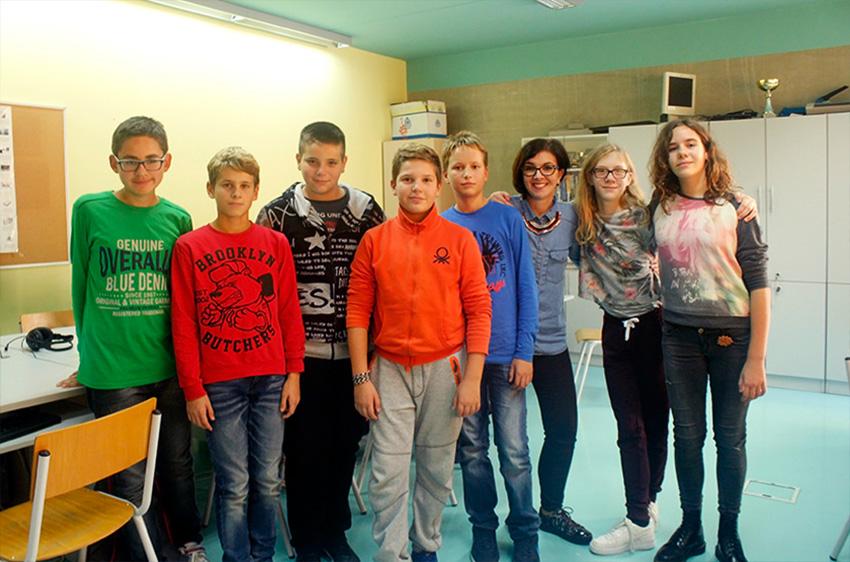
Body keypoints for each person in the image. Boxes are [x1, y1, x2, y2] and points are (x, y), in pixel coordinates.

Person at [69, 115, 206, 561]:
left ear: (167, 162)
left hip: (168, 367)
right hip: (113, 372)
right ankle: (151, 555)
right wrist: (87, 357)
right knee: (128, 477)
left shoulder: (177, 219)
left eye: (151, 160)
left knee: (177, 464)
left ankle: (189, 542)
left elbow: (184, 301)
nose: (141, 171)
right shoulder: (89, 210)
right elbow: (81, 287)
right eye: (130, 161)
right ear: (114, 163)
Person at [346, 143, 492, 562]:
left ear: (439, 184)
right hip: (388, 370)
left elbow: (479, 310)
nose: (417, 187)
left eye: (426, 179)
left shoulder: (459, 240)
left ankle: (426, 544)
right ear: (393, 184)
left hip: (445, 368)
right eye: (408, 179)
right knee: (387, 472)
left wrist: (472, 378)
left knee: (436, 467)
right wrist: (361, 379)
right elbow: (357, 311)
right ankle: (392, 553)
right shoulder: (374, 241)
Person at [256, 121, 385, 562]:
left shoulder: (367, 212)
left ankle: (336, 532)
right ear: (298, 160)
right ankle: (307, 539)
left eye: (331, 162)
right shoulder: (277, 215)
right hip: (300, 358)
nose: (321, 170)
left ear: (344, 162)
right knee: (303, 450)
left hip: (353, 356)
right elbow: (263, 286)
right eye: (312, 161)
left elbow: (383, 275)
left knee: (344, 445)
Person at [171, 146, 305, 562]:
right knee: (234, 485)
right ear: (210, 189)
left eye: (245, 186)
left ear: (256, 191)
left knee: (266, 480)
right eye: (227, 185)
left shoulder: (275, 244)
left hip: (271, 379)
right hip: (219, 383)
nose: (236, 193)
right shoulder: (189, 247)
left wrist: (294, 374)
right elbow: (183, 322)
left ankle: (262, 556)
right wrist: (193, 389)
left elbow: (288, 311)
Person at [648, 120, 769, 562]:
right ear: (665, 158)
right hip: (678, 336)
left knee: (730, 439)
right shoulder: (658, 206)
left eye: (690, 144)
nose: (682, 152)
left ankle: (728, 534)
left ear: (706, 150)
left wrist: (756, 358)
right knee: (687, 437)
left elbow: (758, 283)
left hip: (732, 339)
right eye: (673, 147)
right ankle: (692, 529)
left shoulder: (736, 206)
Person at [440, 131, 540, 562]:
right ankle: (483, 528)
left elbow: (526, 287)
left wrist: (524, 351)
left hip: (505, 355)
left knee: (515, 451)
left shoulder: (507, 220)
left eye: (474, 166)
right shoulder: (442, 226)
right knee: (473, 451)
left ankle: (525, 531)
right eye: (458, 167)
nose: (466, 174)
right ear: (446, 175)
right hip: (461, 361)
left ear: (486, 172)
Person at [572, 143, 669, 555]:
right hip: (616, 329)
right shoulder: (581, 221)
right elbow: (534, 214)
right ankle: (638, 521)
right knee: (629, 427)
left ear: (630, 176)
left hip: (655, 325)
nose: (611, 178)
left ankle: (648, 502)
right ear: (590, 177)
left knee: (657, 422)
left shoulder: (648, 217)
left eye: (619, 171)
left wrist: (740, 200)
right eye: (602, 171)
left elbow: (697, 203)